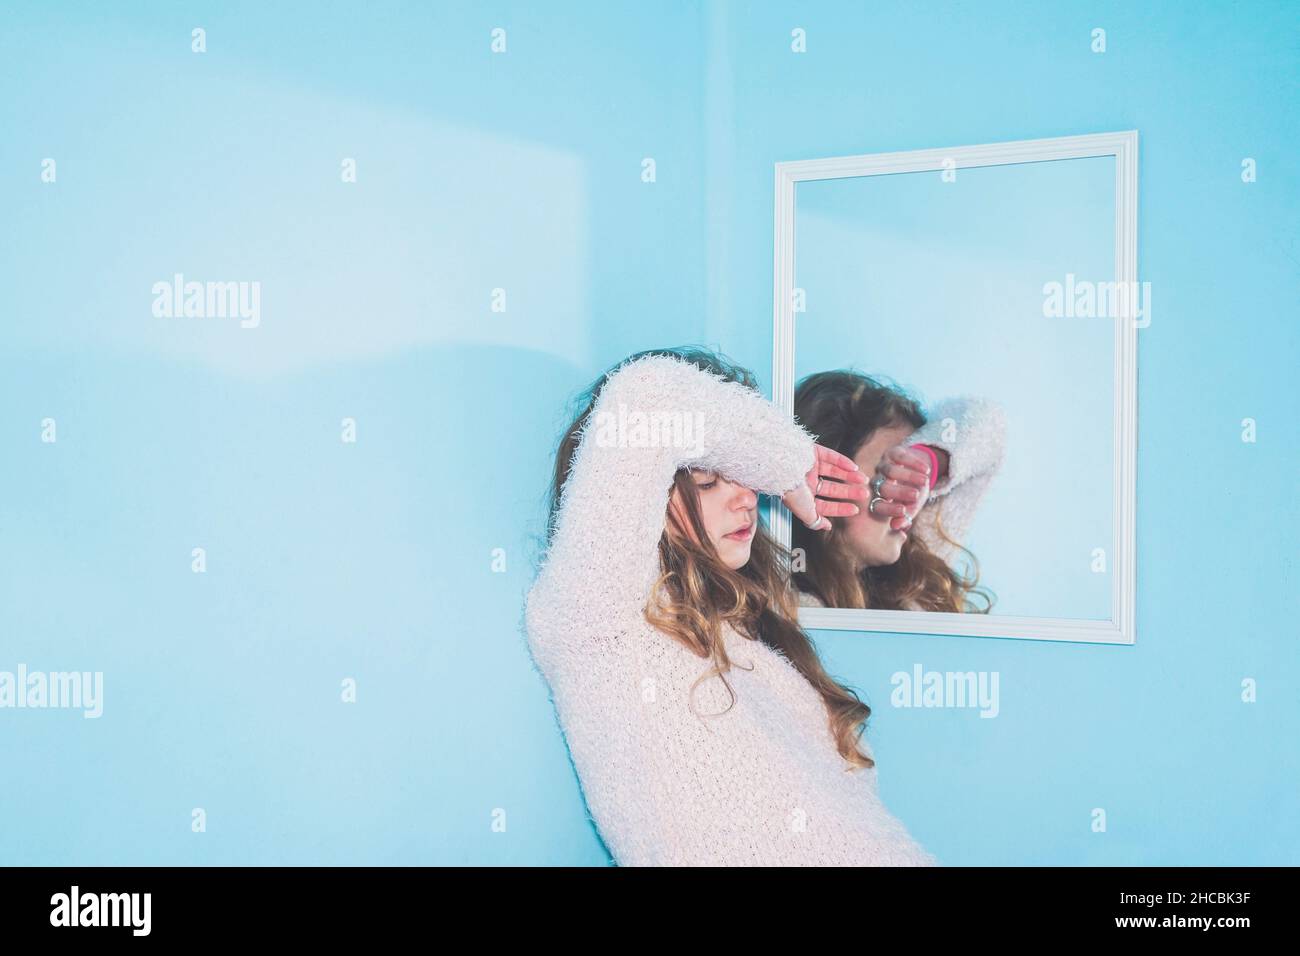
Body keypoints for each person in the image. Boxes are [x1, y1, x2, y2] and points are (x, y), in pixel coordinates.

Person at [524, 347, 938, 866]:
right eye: (709, 479)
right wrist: (785, 459)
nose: (746, 496)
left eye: (747, 475)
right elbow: (645, 398)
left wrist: (934, 457)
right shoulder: (599, 618)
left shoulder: (753, 644)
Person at [792, 370, 1006, 612]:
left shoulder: (916, 580)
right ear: (823, 477)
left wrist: (932, 459)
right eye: (890, 475)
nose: (909, 499)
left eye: (910, 478)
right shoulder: (785, 600)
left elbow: (989, 424)